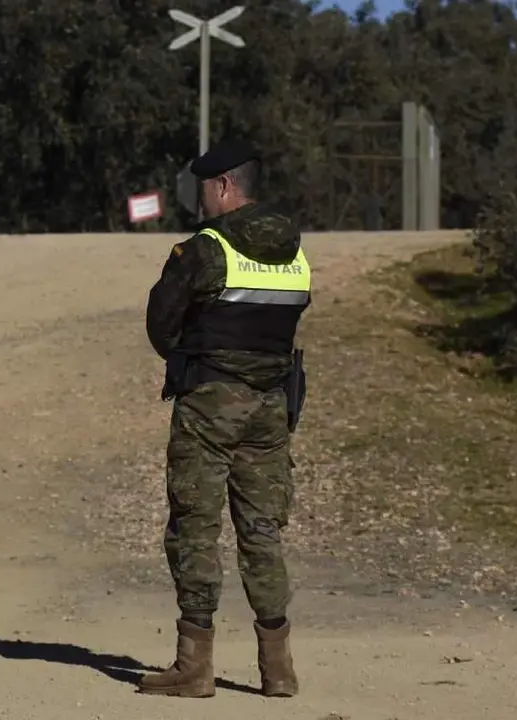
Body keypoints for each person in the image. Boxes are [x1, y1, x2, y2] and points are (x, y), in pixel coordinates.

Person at [137, 138, 311, 699]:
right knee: (263, 532)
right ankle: (278, 669)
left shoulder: (205, 250)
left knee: (195, 527)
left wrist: (195, 354)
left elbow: (162, 324)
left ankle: (194, 666)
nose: (203, 199)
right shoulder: (294, 250)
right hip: (271, 405)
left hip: (210, 403)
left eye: (206, 189)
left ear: (224, 186)